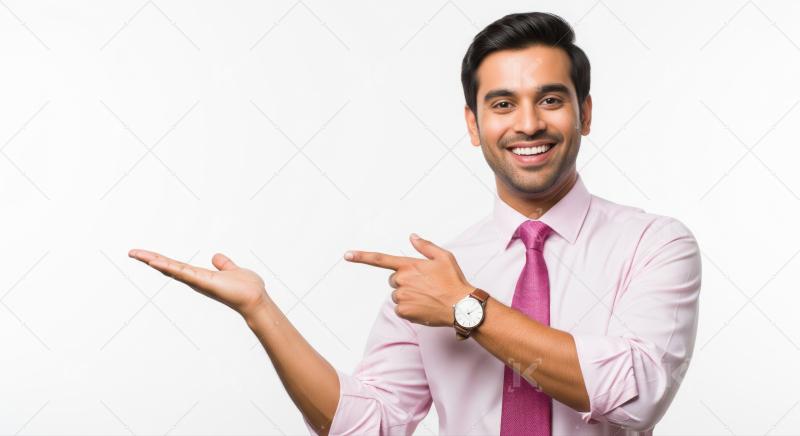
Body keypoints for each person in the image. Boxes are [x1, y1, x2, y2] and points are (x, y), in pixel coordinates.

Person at [129, 11, 701, 435]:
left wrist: (468, 309)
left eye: (551, 99)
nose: (528, 123)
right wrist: (261, 312)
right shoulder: (436, 277)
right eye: (502, 104)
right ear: (474, 125)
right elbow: (369, 426)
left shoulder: (654, 244)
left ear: (585, 113)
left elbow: (638, 393)